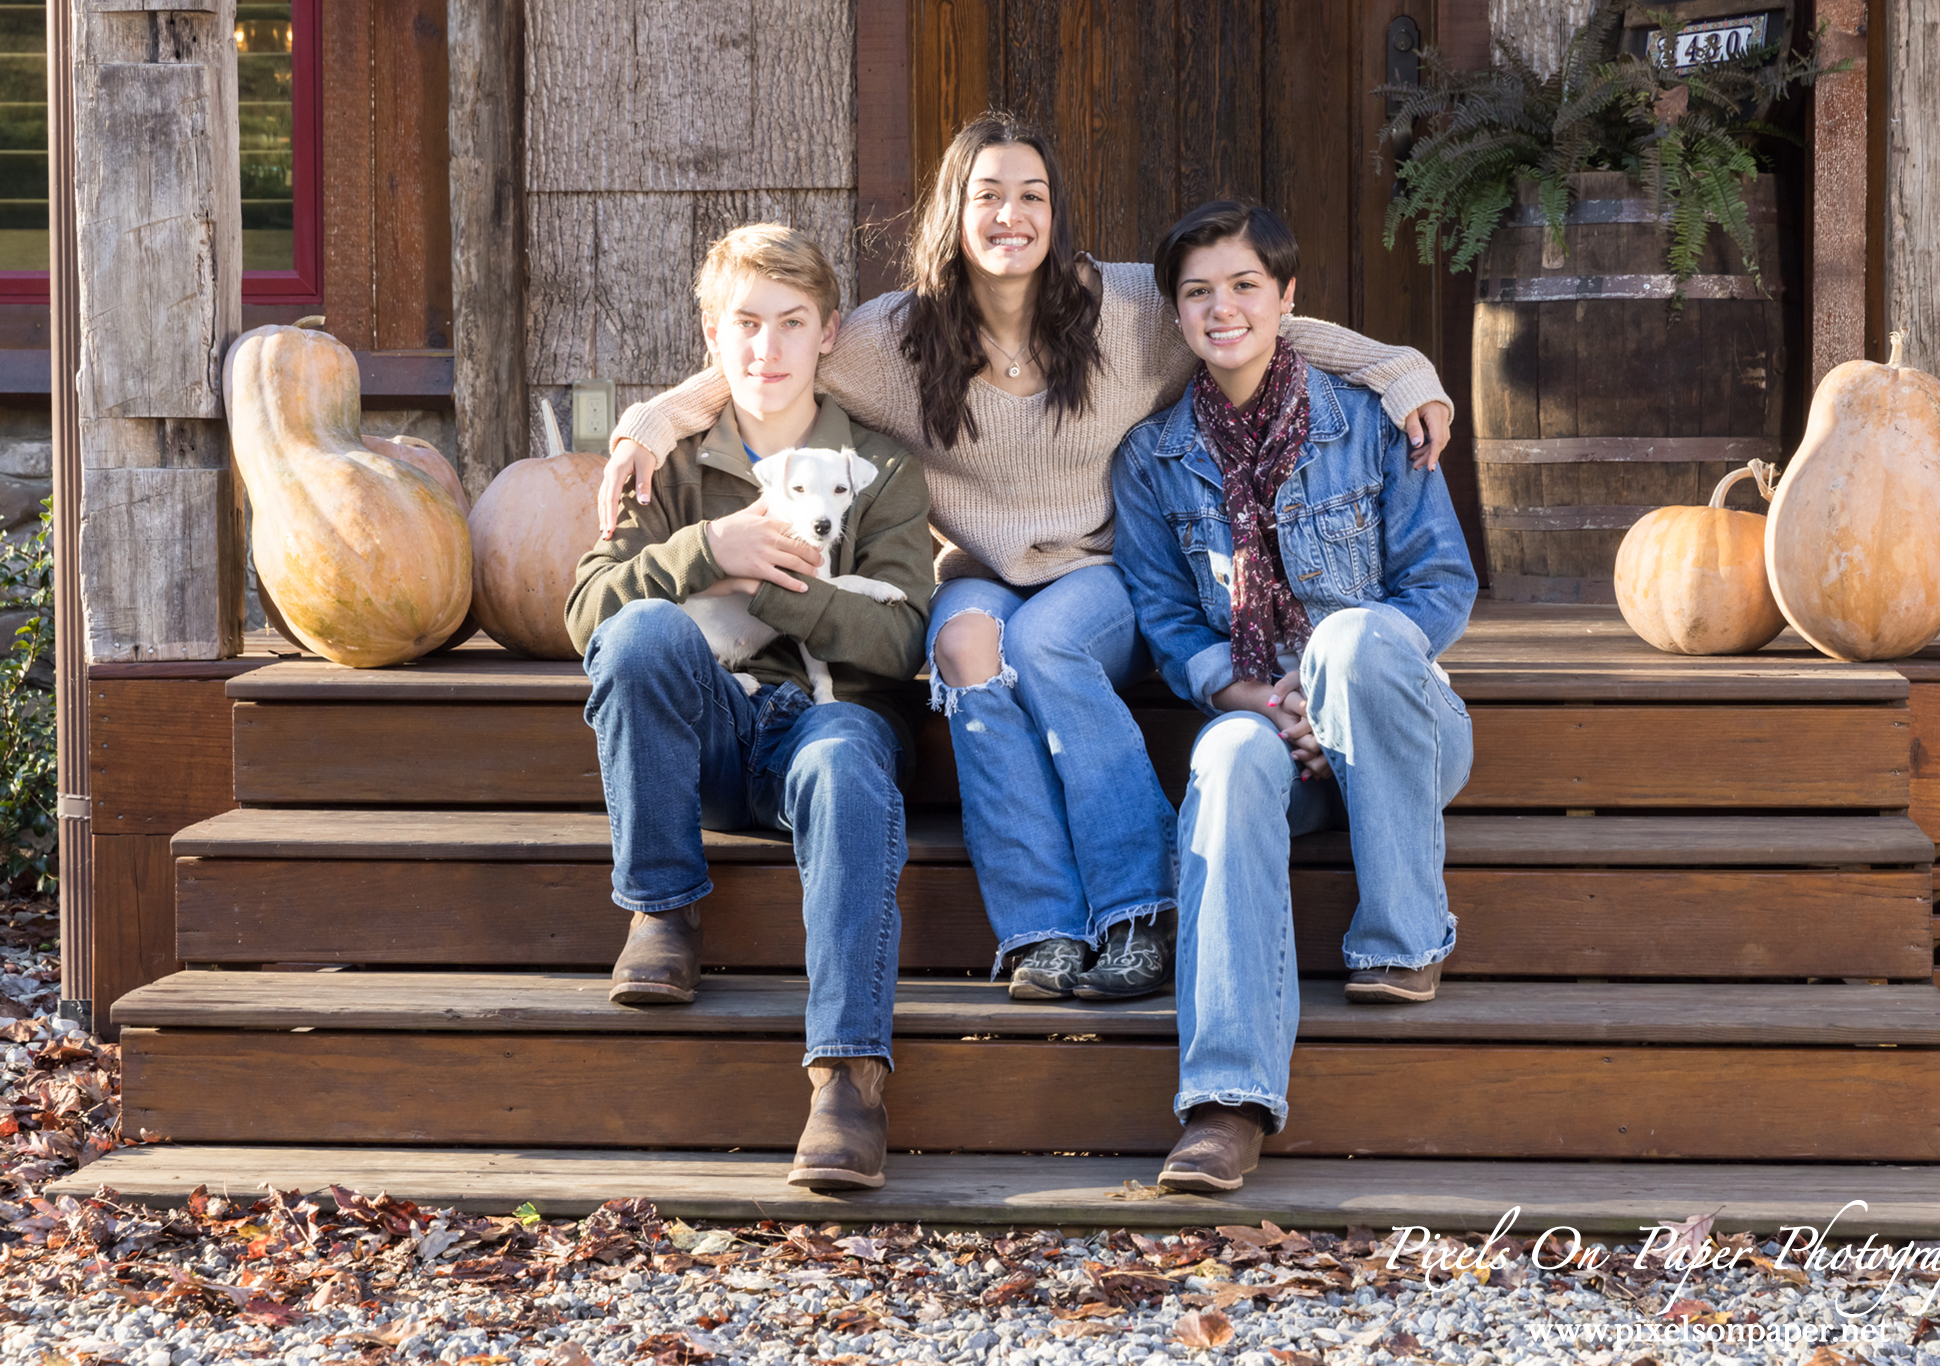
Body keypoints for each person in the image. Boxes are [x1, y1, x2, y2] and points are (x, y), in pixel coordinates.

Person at [594, 113, 1456, 1005]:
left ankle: (1139, 908)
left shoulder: (1121, 311)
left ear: (1056, 214)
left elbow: (1253, 322)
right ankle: (1039, 928)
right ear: (954, 213)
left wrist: (1400, 370)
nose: (1013, 214)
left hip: (1102, 574)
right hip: (979, 574)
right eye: (989, 194)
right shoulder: (899, 338)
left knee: (1044, 641)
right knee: (965, 649)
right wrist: (652, 423)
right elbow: (769, 355)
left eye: (1032, 195)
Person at [1111, 201, 1478, 1194]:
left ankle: (1403, 939)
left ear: (1285, 299)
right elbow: (1163, 618)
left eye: (1241, 286)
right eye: (1196, 293)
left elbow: (1441, 584)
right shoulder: (1151, 461)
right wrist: (1248, 694)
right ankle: (1223, 1101)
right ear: (1176, 315)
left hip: (1397, 724)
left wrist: (1329, 683)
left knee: (1355, 637)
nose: (1220, 309)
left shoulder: (1371, 423)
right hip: (1267, 725)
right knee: (1223, 756)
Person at [566, 223, 934, 1192]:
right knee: (643, 635)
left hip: (830, 729)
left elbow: (902, 643)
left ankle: (846, 1080)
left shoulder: (882, 469)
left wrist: (772, 585)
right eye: (744, 324)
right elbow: (586, 614)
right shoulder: (668, 461)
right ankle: (662, 913)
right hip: (711, 736)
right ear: (711, 331)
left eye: (788, 324)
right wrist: (708, 548)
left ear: (828, 333)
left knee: (848, 757)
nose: (764, 349)